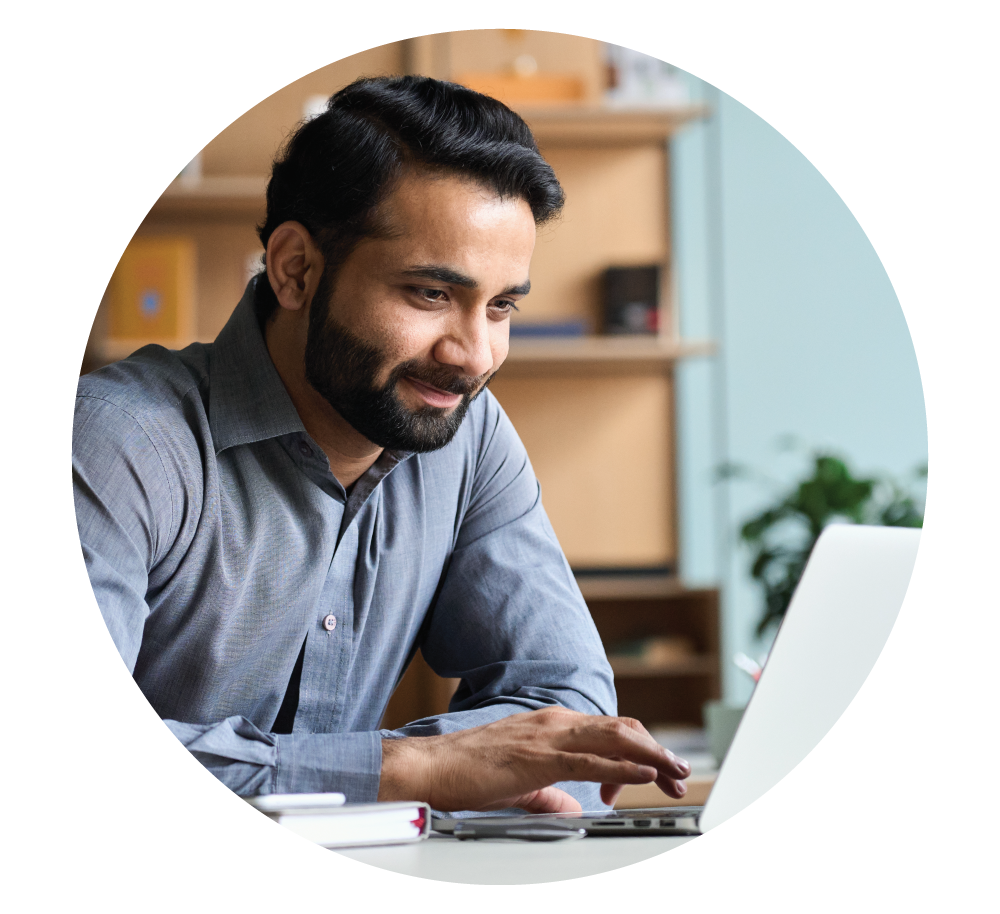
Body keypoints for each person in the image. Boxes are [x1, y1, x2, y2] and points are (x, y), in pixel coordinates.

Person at [73, 75, 691, 815]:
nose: (474, 355)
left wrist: (460, 768)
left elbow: (569, 706)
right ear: (296, 268)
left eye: (500, 306)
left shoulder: (470, 435)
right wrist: (410, 771)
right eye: (431, 294)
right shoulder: (118, 442)